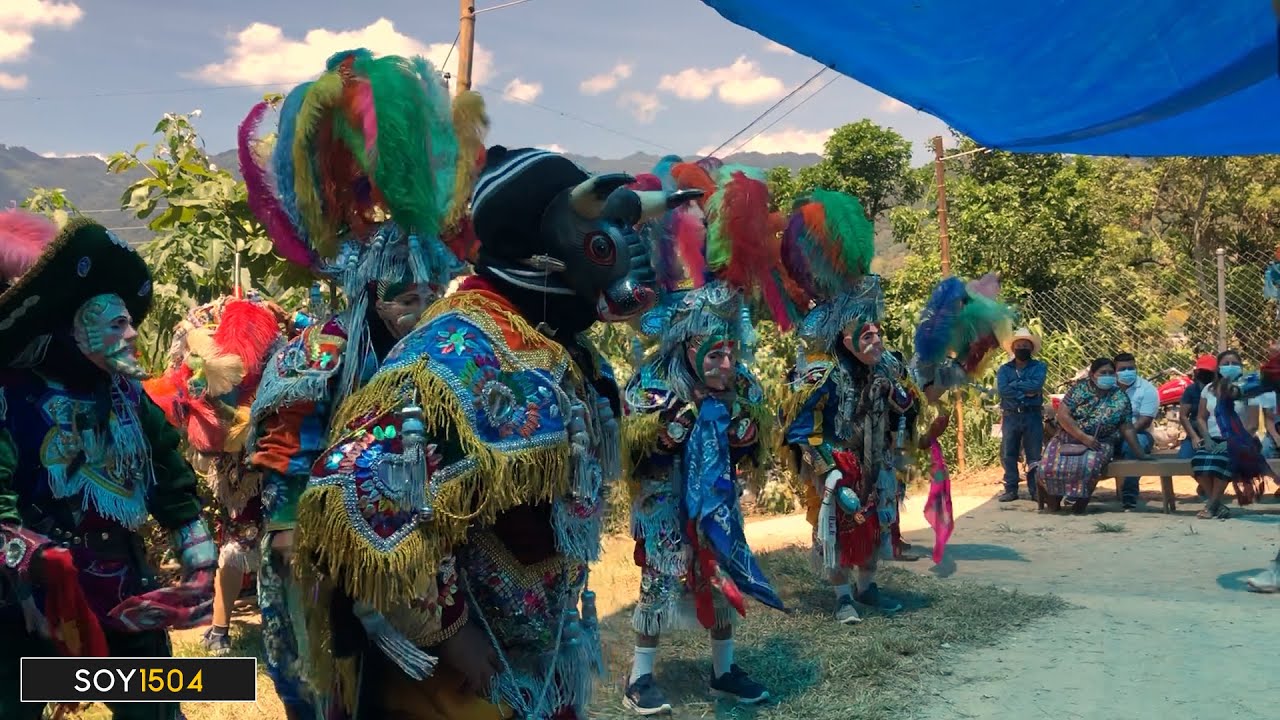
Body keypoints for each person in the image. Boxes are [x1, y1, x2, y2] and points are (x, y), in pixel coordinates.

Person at [294, 145, 699, 719]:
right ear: (537, 249)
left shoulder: (566, 351)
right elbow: (354, 499)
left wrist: (658, 429)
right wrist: (448, 628)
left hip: (540, 653)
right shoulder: (453, 354)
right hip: (461, 677)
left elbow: (585, 451)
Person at [236, 50, 484, 719]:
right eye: (400, 284)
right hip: (329, 576)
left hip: (437, 577)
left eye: (430, 283)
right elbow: (284, 479)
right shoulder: (319, 352)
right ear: (363, 280)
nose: (418, 297)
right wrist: (351, 584)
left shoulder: (450, 350)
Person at [0, 211, 218, 720]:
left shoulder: (125, 395)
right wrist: (34, 559)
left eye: (132, 322)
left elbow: (167, 472)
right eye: (116, 323)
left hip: (123, 586)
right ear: (72, 326)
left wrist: (200, 558)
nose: (133, 336)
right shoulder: (10, 394)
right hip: (24, 602)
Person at [623, 159, 789, 714]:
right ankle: (639, 676)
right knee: (661, 575)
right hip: (663, 497)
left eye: (729, 351)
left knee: (720, 572)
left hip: (717, 496)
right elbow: (634, 440)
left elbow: (756, 436)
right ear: (686, 347)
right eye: (712, 353)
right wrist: (673, 429)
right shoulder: (653, 380)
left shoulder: (740, 383)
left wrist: (742, 432)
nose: (724, 362)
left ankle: (724, 670)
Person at [782, 190, 913, 625]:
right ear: (845, 338)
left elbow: (910, 408)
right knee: (839, 526)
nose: (875, 339)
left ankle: (867, 587)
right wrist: (830, 473)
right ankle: (842, 596)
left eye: (877, 332)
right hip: (837, 458)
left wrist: (898, 398)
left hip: (878, 458)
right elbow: (800, 429)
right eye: (866, 335)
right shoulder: (820, 373)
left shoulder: (890, 364)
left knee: (877, 522)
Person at [142, 295, 288, 655]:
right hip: (237, 462)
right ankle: (221, 629)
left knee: (268, 542)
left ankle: (254, 626)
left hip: (270, 452)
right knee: (240, 542)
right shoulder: (203, 340)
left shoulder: (277, 345)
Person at [1039, 358, 1148, 513]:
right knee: (1048, 467)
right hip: (1068, 436)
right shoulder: (1079, 389)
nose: (1108, 376)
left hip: (1100, 442)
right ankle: (1053, 503)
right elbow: (1063, 415)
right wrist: (1083, 437)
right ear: (1092, 374)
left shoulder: (1120, 397)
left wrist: (1140, 454)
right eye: (1103, 373)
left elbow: (1127, 427)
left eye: (1111, 373)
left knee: (1087, 467)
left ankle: (1080, 506)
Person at [1192, 350, 1268, 519]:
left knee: (1223, 459)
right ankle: (1217, 504)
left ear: (1241, 367)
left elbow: (1253, 425)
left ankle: (1211, 506)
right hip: (1213, 439)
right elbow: (1200, 418)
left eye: (1234, 363)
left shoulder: (1249, 390)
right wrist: (1207, 438)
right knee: (1198, 461)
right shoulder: (1208, 389)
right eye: (1225, 364)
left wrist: (1231, 442)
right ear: (1218, 368)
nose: (1230, 367)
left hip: (1242, 439)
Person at [997, 328, 1047, 502]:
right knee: (1008, 453)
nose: (1022, 348)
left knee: (1034, 454)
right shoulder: (1004, 369)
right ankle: (1011, 489)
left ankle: (1035, 490)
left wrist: (1015, 386)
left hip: (1032, 415)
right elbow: (1003, 390)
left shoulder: (1040, 366)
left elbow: (1036, 385)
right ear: (1013, 347)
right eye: (1019, 345)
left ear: (1031, 348)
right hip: (1010, 416)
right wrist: (1025, 391)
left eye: (1026, 345)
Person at [1113, 352, 1158, 510]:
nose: (1127, 372)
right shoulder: (1107, 388)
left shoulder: (1147, 389)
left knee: (1132, 445)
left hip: (1139, 433)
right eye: (1122, 369)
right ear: (1114, 371)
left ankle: (1129, 494)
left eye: (1131, 368)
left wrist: (1123, 434)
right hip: (1109, 434)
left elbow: (1145, 421)